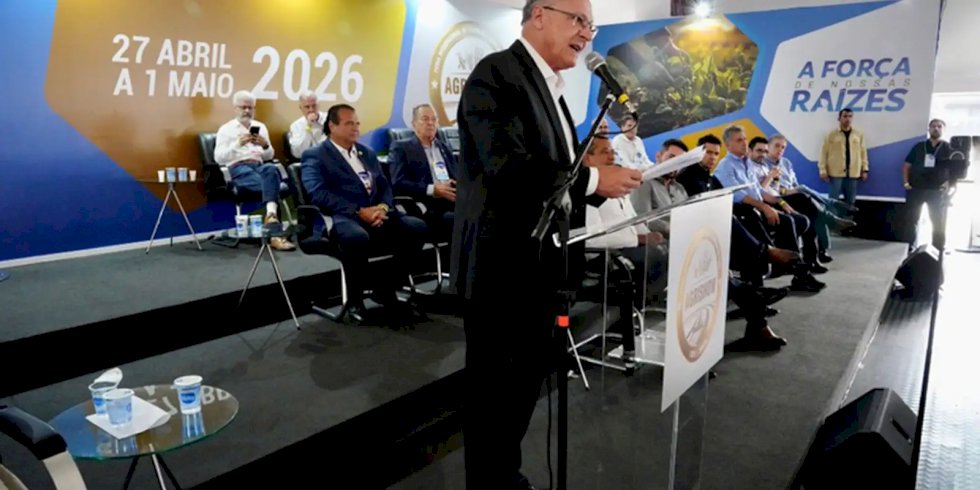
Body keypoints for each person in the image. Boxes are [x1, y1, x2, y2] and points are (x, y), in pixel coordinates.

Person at [450, 1, 643, 487]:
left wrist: (600, 186)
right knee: (494, 400)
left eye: (591, 25)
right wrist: (595, 180)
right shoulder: (495, 75)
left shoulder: (551, 90)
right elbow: (507, 168)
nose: (587, 34)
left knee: (519, 395)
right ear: (539, 15)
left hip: (540, 270)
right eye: (578, 20)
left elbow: (558, 176)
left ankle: (506, 478)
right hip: (501, 273)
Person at [301, 104, 427, 321]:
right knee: (355, 237)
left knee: (416, 228)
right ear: (332, 126)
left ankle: (386, 287)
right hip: (341, 216)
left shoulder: (366, 153)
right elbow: (319, 194)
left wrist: (383, 208)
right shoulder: (316, 155)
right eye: (349, 123)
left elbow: (385, 186)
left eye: (357, 123)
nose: (356, 128)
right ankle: (355, 301)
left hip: (377, 213)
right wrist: (359, 211)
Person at [214, 90, 294, 250]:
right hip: (238, 168)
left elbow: (270, 155)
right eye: (243, 107)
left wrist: (264, 145)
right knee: (272, 185)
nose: (247, 111)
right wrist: (237, 144)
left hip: (259, 165)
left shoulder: (261, 127)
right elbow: (219, 158)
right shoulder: (226, 129)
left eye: (250, 107)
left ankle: (271, 219)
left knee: (270, 168)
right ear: (235, 108)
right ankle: (274, 230)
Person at [387, 103, 457, 243]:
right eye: (425, 119)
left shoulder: (444, 147)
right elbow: (398, 183)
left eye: (434, 119)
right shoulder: (401, 148)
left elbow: (456, 174)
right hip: (426, 206)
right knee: (459, 220)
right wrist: (433, 189)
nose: (430, 123)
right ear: (414, 124)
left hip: (452, 201)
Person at [903, 118, 953, 250]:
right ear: (929, 129)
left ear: (943, 130)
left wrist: (950, 183)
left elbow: (954, 169)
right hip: (916, 189)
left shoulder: (948, 148)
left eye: (939, 126)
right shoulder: (919, 146)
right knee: (912, 220)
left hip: (937, 191)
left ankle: (938, 249)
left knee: (938, 222)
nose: (936, 128)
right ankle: (909, 248)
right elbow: (907, 165)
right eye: (933, 126)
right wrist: (906, 183)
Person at [818, 108, 869, 206]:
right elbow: (823, 153)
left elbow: (863, 153)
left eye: (850, 116)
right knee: (833, 201)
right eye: (845, 116)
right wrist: (822, 170)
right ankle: (832, 216)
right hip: (835, 173)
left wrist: (865, 169)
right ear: (839, 118)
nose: (847, 119)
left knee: (850, 202)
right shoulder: (831, 135)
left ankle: (848, 216)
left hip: (853, 173)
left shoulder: (858, 135)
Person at [287, 90, 329, 160]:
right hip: (311, 160)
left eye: (314, 106)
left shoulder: (330, 119)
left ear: (318, 105)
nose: (311, 110)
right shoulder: (296, 126)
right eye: (307, 107)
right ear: (301, 108)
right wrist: (308, 127)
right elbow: (297, 153)